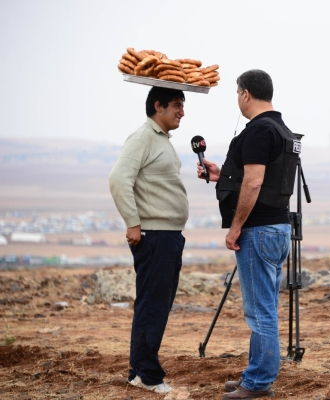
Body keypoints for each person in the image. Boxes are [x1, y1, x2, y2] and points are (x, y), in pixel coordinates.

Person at [197, 69, 298, 399]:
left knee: (260, 312)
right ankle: (256, 375)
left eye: (237, 93)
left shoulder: (258, 130)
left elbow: (254, 183)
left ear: (245, 94)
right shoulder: (282, 129)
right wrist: (220, 176)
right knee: (264, 307)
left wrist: (236, 227)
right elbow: (262, 181)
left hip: (258, 230)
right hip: (279, 227)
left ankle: (257, 383)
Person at [108, 86, 189, 394]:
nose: (182, 111)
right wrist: (133, 223)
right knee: (153, 306)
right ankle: (148, 376)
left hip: (167, 235)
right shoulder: (143, 137)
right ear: (158, 106)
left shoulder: (160, 140)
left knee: (154, 305)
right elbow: (118, 178)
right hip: (155, 236)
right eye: (177, 105)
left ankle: (138, 372)